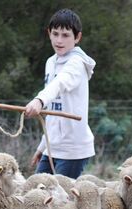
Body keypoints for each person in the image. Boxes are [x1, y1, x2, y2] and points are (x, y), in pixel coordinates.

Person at [24, 9, 96, 179]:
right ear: (49, 33)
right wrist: (43, 147)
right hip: (52, 147)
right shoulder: (50, 62)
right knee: (35, 192)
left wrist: (39, 100)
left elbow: (59, 83)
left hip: (72, 150)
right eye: (55, 34)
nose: (59, 40)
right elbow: (52, 111)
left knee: (60, 202)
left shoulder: (77, 63)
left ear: (77, 37)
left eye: (65, 35)